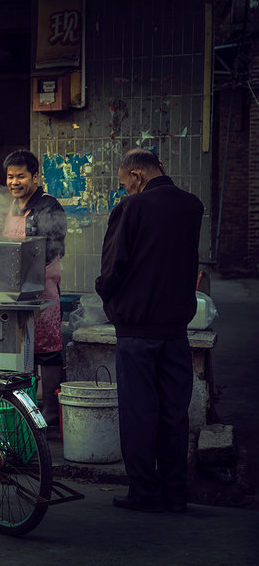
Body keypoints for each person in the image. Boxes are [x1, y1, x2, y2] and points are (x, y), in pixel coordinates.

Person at [95, 149, 204, 513]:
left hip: (138, 329)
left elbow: (113, 267)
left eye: (126, 185)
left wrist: (106, 295)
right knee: (174, 412)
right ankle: (175, 493)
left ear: (138, 178)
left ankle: (144, 492)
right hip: (176, 329)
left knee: (140, 412)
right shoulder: (192, 206)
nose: (126, 192)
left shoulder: (133, 208)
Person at [2, 149, 67, 426]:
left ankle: (51, 417)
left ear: (35, 176)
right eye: (10, 177)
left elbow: (54, 249)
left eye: (20, 176)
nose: (14, 182)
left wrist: (27, 273)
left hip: (43, 289)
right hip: (14, 289)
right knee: (21, 351)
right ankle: (23, 415)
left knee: (48, 351)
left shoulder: (48, 206)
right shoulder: (13, 207)